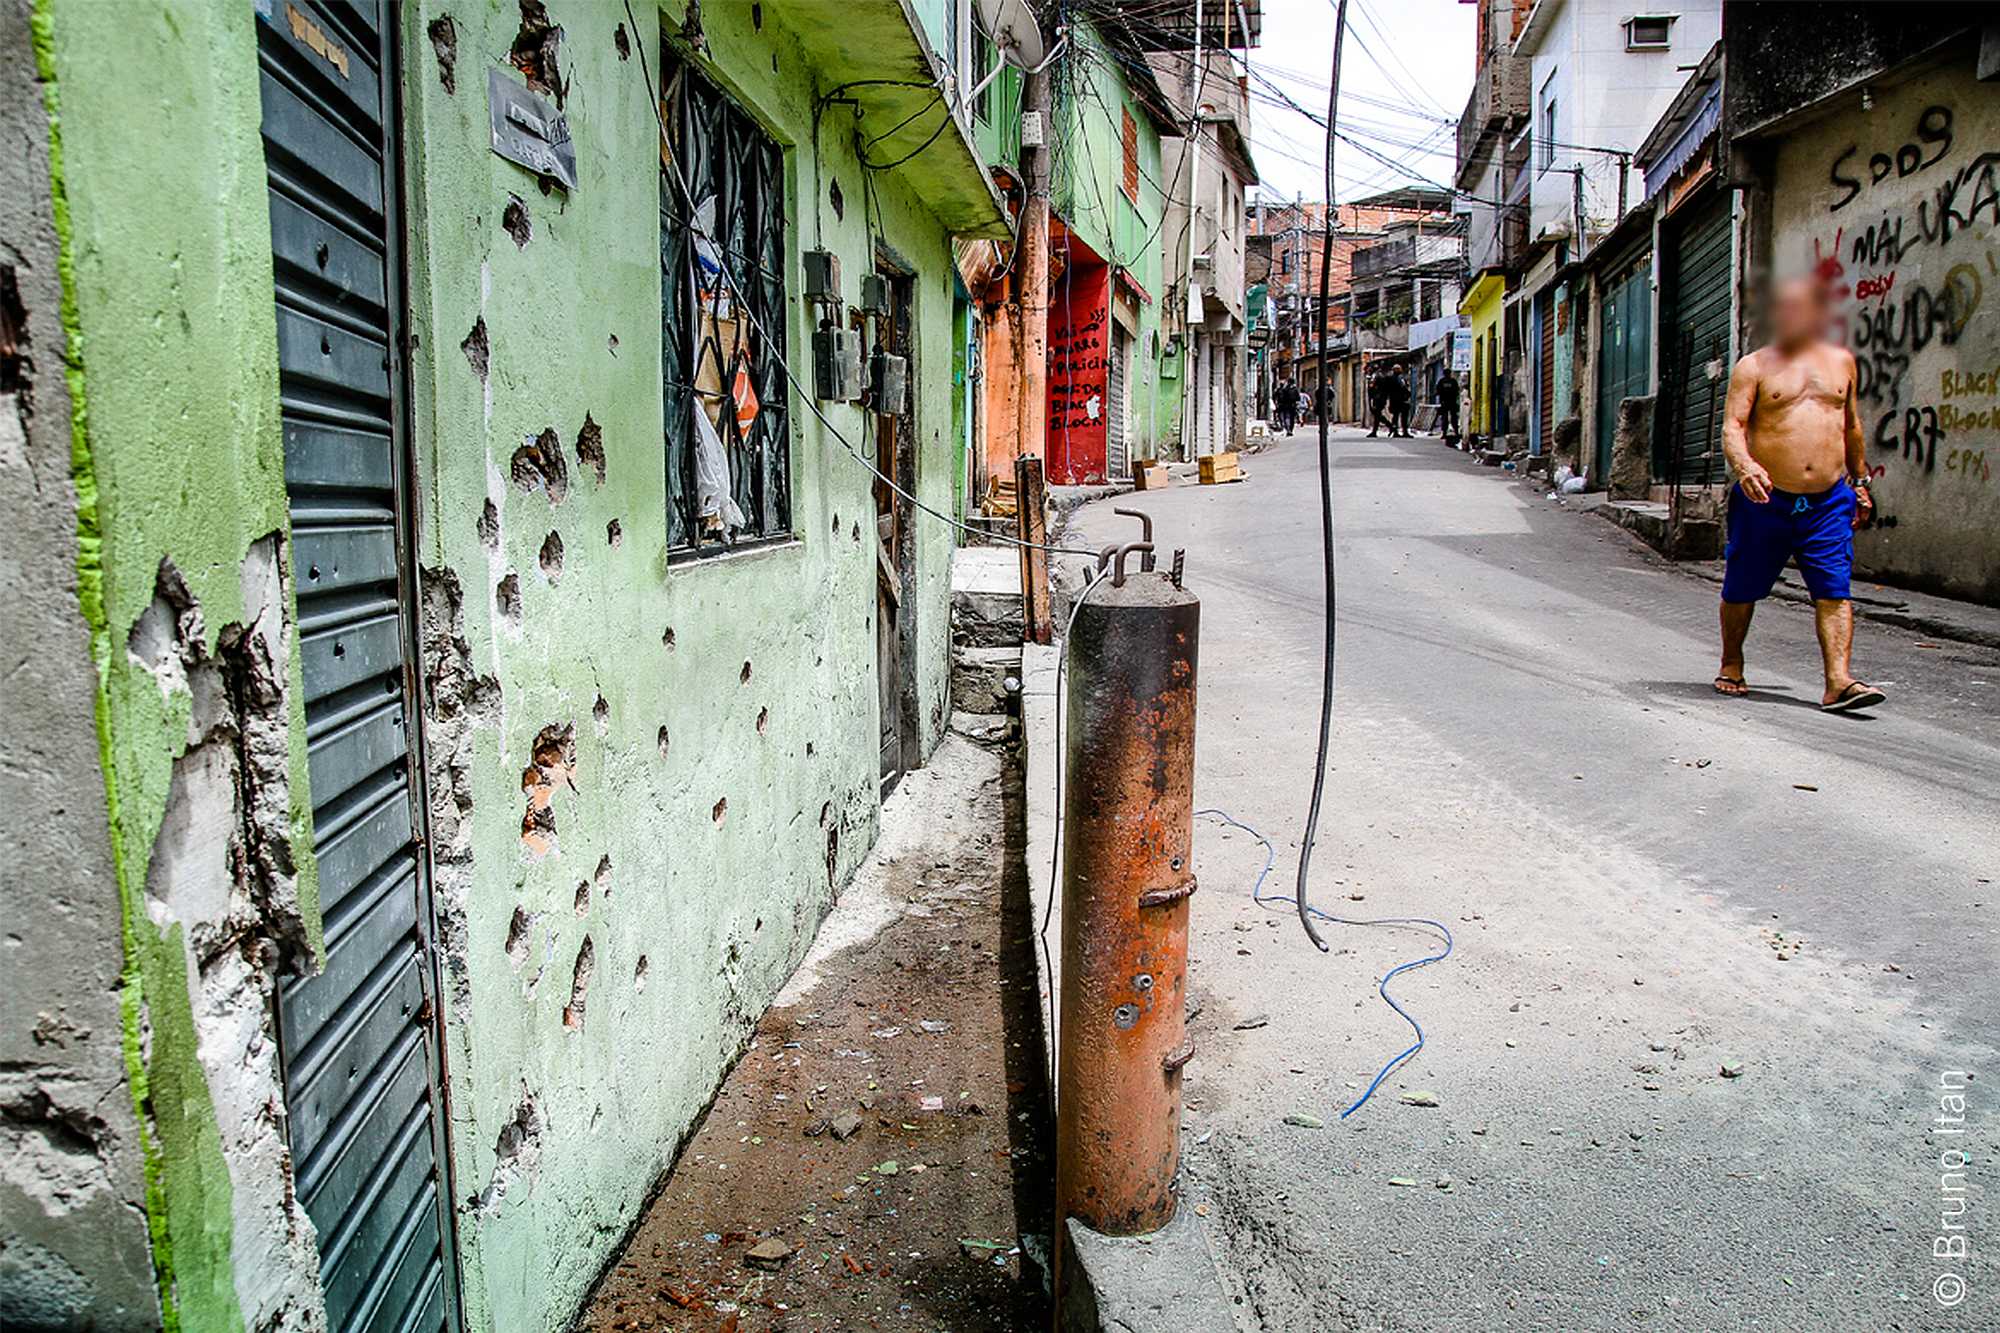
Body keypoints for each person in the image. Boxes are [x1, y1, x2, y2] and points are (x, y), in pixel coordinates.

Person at [1714, 275, 1884, 712]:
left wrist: (1860, 482)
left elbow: (1851, 427)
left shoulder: (1843, 363)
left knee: (1834, 589)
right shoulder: (1754, 367)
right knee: (1741, 588)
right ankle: (1732, 661)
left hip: (1828, 501)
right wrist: (1746, 465)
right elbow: (1733, 426)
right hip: (1765, 500)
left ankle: (1838, 682)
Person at [1386, 365, 1413, 437]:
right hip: (1398, 400)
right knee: (1398, 417)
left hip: (1399, 400)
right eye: (1398, 369)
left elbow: (1405, 388)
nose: (1399, 370)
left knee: (1399, 417)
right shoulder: (1396, 378)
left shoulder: (1400, 378)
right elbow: (1404, 388)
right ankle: (1398, 432)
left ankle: (1401, 432)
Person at [1435, 371, 1461, 442]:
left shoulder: (1442, 381)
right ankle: (1456, 432)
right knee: (1453, 418)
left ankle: (1444, 433)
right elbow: (1457, 391)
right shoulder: (1453, 381)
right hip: (1452, 402)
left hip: (1444, 402)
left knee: (1445, 418)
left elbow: (1437, 391)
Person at [1366, 368, 1390, 437]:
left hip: (1377, 399)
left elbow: (1373, 388)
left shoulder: (1376, 376)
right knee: (1378, 415)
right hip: (1378, 398)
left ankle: (1374, 431)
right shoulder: (1377, 376)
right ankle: (1391, 427)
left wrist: (1374, 399)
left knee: (1377, 415)